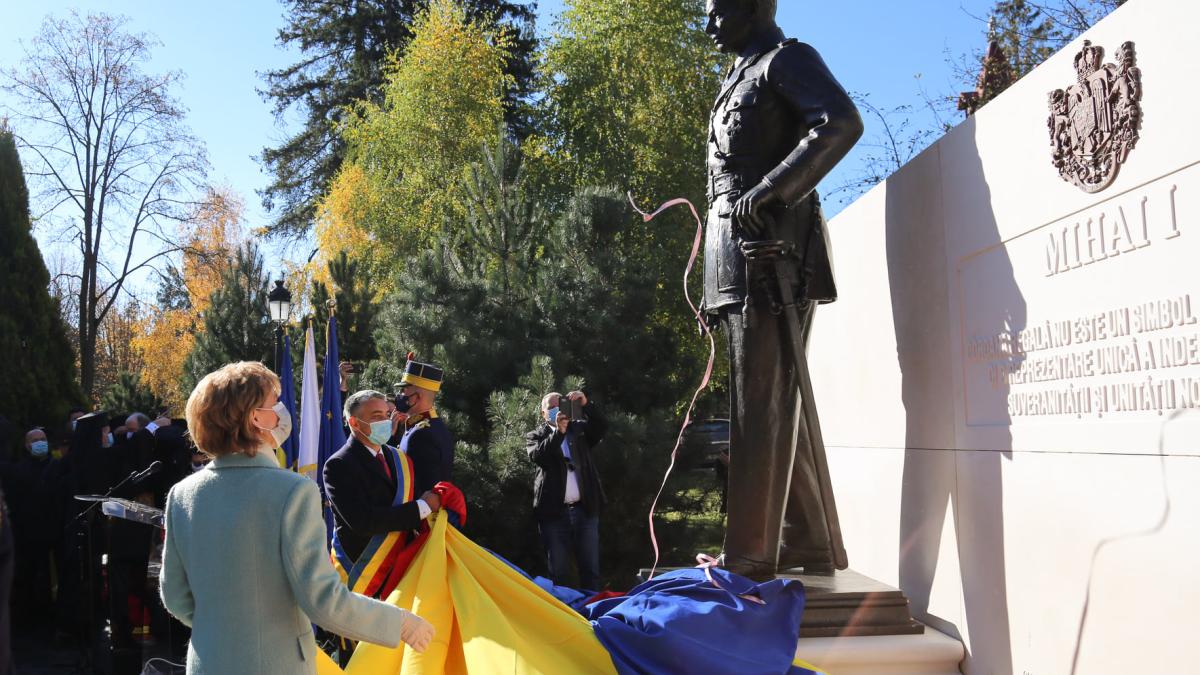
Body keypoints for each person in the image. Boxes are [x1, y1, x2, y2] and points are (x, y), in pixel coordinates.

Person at [700, 0, 863, 578]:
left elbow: (840, 124)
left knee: (761, 401)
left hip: (775, 250)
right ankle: (807, 542)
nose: (709, 23)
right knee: (770, 397)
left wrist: (772, 189)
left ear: (750, 7)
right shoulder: (737, 75)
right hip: (734, 249)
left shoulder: (787, 60)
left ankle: (748, 558)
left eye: (717, 11)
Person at [160, 362, 433, 674]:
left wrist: (228, 631)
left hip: (207, 662)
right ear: (255, 418)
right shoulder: (291, 491)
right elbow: (323, 601)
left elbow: (176, 597)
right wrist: (401, 623)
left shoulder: (181, 494)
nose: (282, 411)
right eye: (275, 402)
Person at [324, 390, 442, 566]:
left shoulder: (398, 457)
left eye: (387, 415)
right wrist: (422, 507)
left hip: (403, 561)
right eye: (376, 416)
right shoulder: (338, 465)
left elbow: (411, 497)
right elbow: (363, 521)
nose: (386, 421)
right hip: (365, 568)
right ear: (354, 423)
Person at [525, 391, 607, 590]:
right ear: (543, 413)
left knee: (590, 570)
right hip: (554, 514)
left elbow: (601, 427)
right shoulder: (535, 436)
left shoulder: (578, 430)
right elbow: (539, 456)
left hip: (584, 511)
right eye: (551, 408)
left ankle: (592, 607)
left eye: (559, 406)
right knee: (558, 573)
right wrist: (558, 433)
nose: (556, 411)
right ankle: (562, 609)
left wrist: (586, 404)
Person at [395, 359, 454, 495]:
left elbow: (426, 491)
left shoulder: (422, 434)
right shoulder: (429, 426)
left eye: (404, 390)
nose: (400, 394)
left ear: (418, 397)